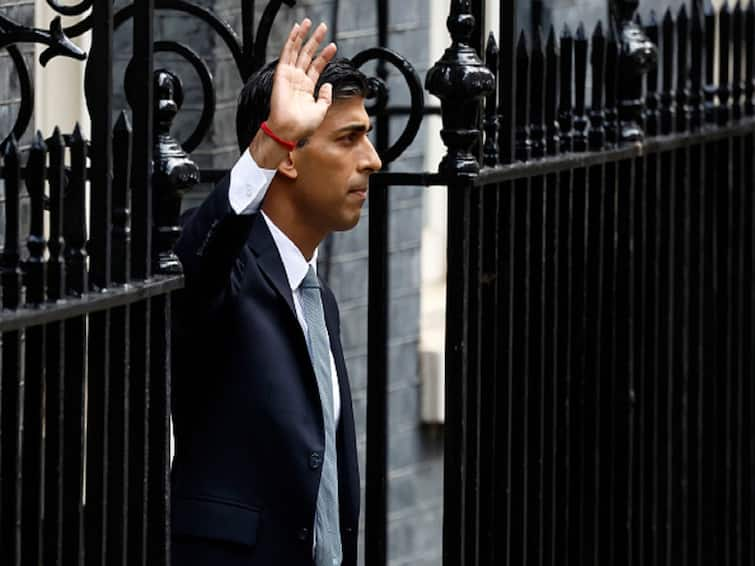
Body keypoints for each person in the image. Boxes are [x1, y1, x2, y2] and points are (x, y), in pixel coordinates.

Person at [170, 18, 382, 566]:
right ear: (289, 156)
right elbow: (190, 265)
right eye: (349, 138)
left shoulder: (318, 300)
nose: (372, 160)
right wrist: (269, 142)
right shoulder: (226, 274)